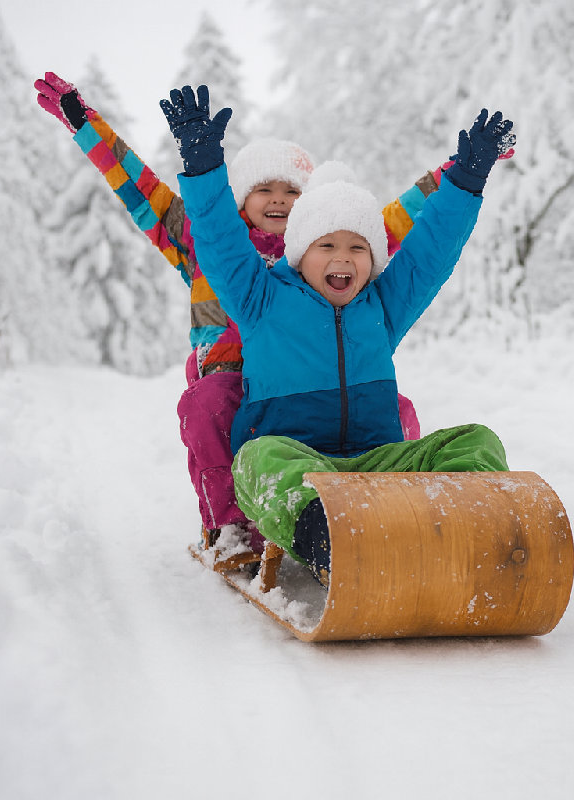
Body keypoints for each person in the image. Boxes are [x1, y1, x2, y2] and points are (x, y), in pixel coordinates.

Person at [35, 72, 474, 550]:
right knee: (208, 405)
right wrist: (85, 124)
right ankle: (233, 525)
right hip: (230, 376)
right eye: (265, 189)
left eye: (292, 191)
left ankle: (391, 500)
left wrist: (462, 169)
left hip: (308, 378)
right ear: (239, 197)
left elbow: (407, 217)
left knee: (396, 407)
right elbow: (139, 188)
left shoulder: (328, 247)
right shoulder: (205, 236)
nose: (280, 199)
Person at [162, 85, 516, 585]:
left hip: (377, 467)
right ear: (298, 252)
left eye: (357, 247)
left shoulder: (383, 306)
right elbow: (219, 241)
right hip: (300, 465)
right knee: (259, 459)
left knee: (476, 441)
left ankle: (473, 531)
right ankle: (331, 540)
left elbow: (432, 251)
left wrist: (467, 180)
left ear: (373, 258)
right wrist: (202, 168)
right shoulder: (260, 300)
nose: (343, 258)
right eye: (326, 245)